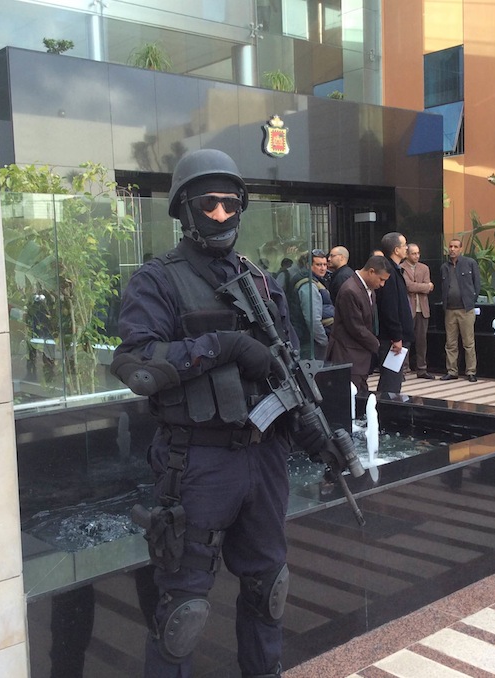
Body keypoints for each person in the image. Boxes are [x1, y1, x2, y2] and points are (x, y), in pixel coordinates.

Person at [111, 149, 293, 677]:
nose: (220, 214)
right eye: (208, 203)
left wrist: (308, 431)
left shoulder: (262, 281)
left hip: (263, 456)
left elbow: (286, 365)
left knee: (269, 590)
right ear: (184, 209)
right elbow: (137, 365)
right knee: (183, 614)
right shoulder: (157, 280)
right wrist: (224, 346)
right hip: (197, 463)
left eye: (230, 204)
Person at [327, 255, 391, 395]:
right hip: (348, 355)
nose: (382, 284)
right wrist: (377, 345)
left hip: (360, 357)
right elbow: (356, 327)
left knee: (361, 398)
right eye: (381, 279)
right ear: (371, 271)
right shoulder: (350, 290)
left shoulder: (368, 289)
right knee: (351, 398)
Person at [375, 232, 415, 393]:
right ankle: (385, 406)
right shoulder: (389, 272)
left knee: (393, 379)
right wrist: (396, 337)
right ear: (396, 250)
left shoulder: (395, 270)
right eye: (404, 245)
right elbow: (389, 307)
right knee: (390, 381)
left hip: (397, 335)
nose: (407, 248)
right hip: (392, 339)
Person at [440, 238, 480, 382]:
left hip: (466, 309)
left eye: (456, 246)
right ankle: (452, 371)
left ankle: (471, 371)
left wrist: (471, 300)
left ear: (461, 249)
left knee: (468, 342)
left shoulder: (470, 263)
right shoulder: (444, 267)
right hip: (450, 310)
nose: (452, 249)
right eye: (450, 246)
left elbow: (477, 284)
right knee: (450, 343)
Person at [289, 249, 334, 359]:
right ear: (309, 266)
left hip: (311, 339)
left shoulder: (314, 280)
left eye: (325, 264)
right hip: (310, 341)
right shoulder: (308, 285)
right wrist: (324, 341)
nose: (323, 268)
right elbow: (312, 319)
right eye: (318, 264)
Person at [401, 242, 435, 379]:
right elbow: (408, 286)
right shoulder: (401, 268)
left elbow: (430, 288)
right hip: (408, 309)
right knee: (405, 341)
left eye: (418, 253)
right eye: (413, 253)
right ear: (407, 254)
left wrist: (424, 287)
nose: (416, 256)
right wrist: (425, 286)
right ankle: (404, 369)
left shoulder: (424, 268)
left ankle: (422, 369)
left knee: (422, 341)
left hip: (422, 309)